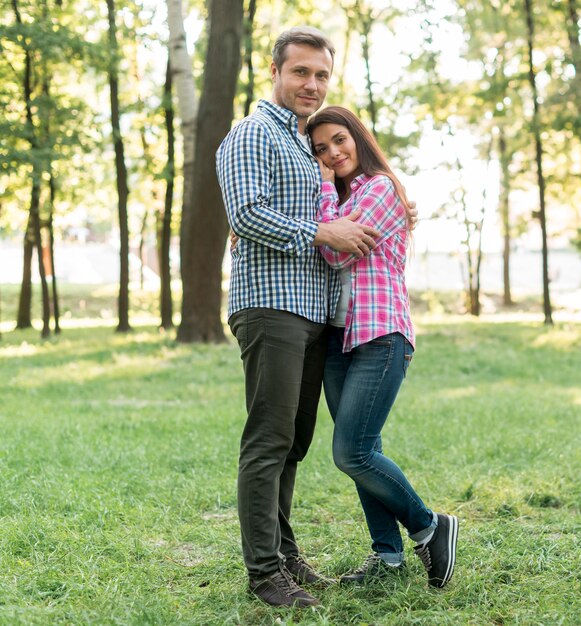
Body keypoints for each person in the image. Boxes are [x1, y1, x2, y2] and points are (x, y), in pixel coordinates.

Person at [216, 27, 381, 608]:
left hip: (314, 312)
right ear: (275, 71)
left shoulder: (304, 143)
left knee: (293, 443)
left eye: (321, 75)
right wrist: (319, 230)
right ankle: (264, 575)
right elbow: (247, 213)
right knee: (268, 440)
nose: (311, 84)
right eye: (301, 72)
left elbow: (341, 203)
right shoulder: (251, 135)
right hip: (271, 306)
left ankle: (285, 557)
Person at [307, 106, 459, 589]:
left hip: (380, 334)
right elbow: (326, 238)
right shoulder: (345, 196)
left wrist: (324, 195)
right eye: (321, 150)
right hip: (339, 337)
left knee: (351, 452)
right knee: (365, 449)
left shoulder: (379, 189)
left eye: (338, 140)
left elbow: (333, 248)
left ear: (358, 137)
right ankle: (387, 556)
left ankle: (429, 526)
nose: (333, 153)